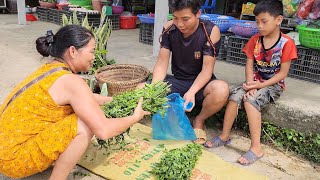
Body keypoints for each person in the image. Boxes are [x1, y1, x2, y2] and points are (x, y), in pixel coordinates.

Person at [0, 25, 150, 179]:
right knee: (84, 125)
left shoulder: (51, 69)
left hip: (5, 149)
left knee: (81, 112)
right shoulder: (71, 81)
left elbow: (86, 98)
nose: (94, 56)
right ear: (73, 51)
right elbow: (103, 131)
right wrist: (134, 118)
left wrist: (117, 100)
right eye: (91, 51)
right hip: (12, 160)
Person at [204, 0, 298, 165]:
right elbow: (248, 65)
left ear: (278, 20)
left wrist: (259, 86)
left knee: (250, 101)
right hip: (255, 81)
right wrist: (249, 83)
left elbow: (282, 74)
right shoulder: (255, 40)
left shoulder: (287, 44)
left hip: (273, 84)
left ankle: (256, 148)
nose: (259, 26)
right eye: (257, 22)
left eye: (264, 21)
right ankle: (225, 135)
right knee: (234, 97)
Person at [150, 0, 229, 144]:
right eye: (175, 18)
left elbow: (206, 71)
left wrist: (192, 92)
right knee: (142, 88)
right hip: (177, 81)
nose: (180, 24)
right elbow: (162, 63)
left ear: (198, 13)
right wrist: (154, 88)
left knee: (221, 89)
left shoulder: (210, 31)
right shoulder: (169, 28)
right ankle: (175, 114)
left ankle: (199, 120)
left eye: (185, 19)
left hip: (201, 84)